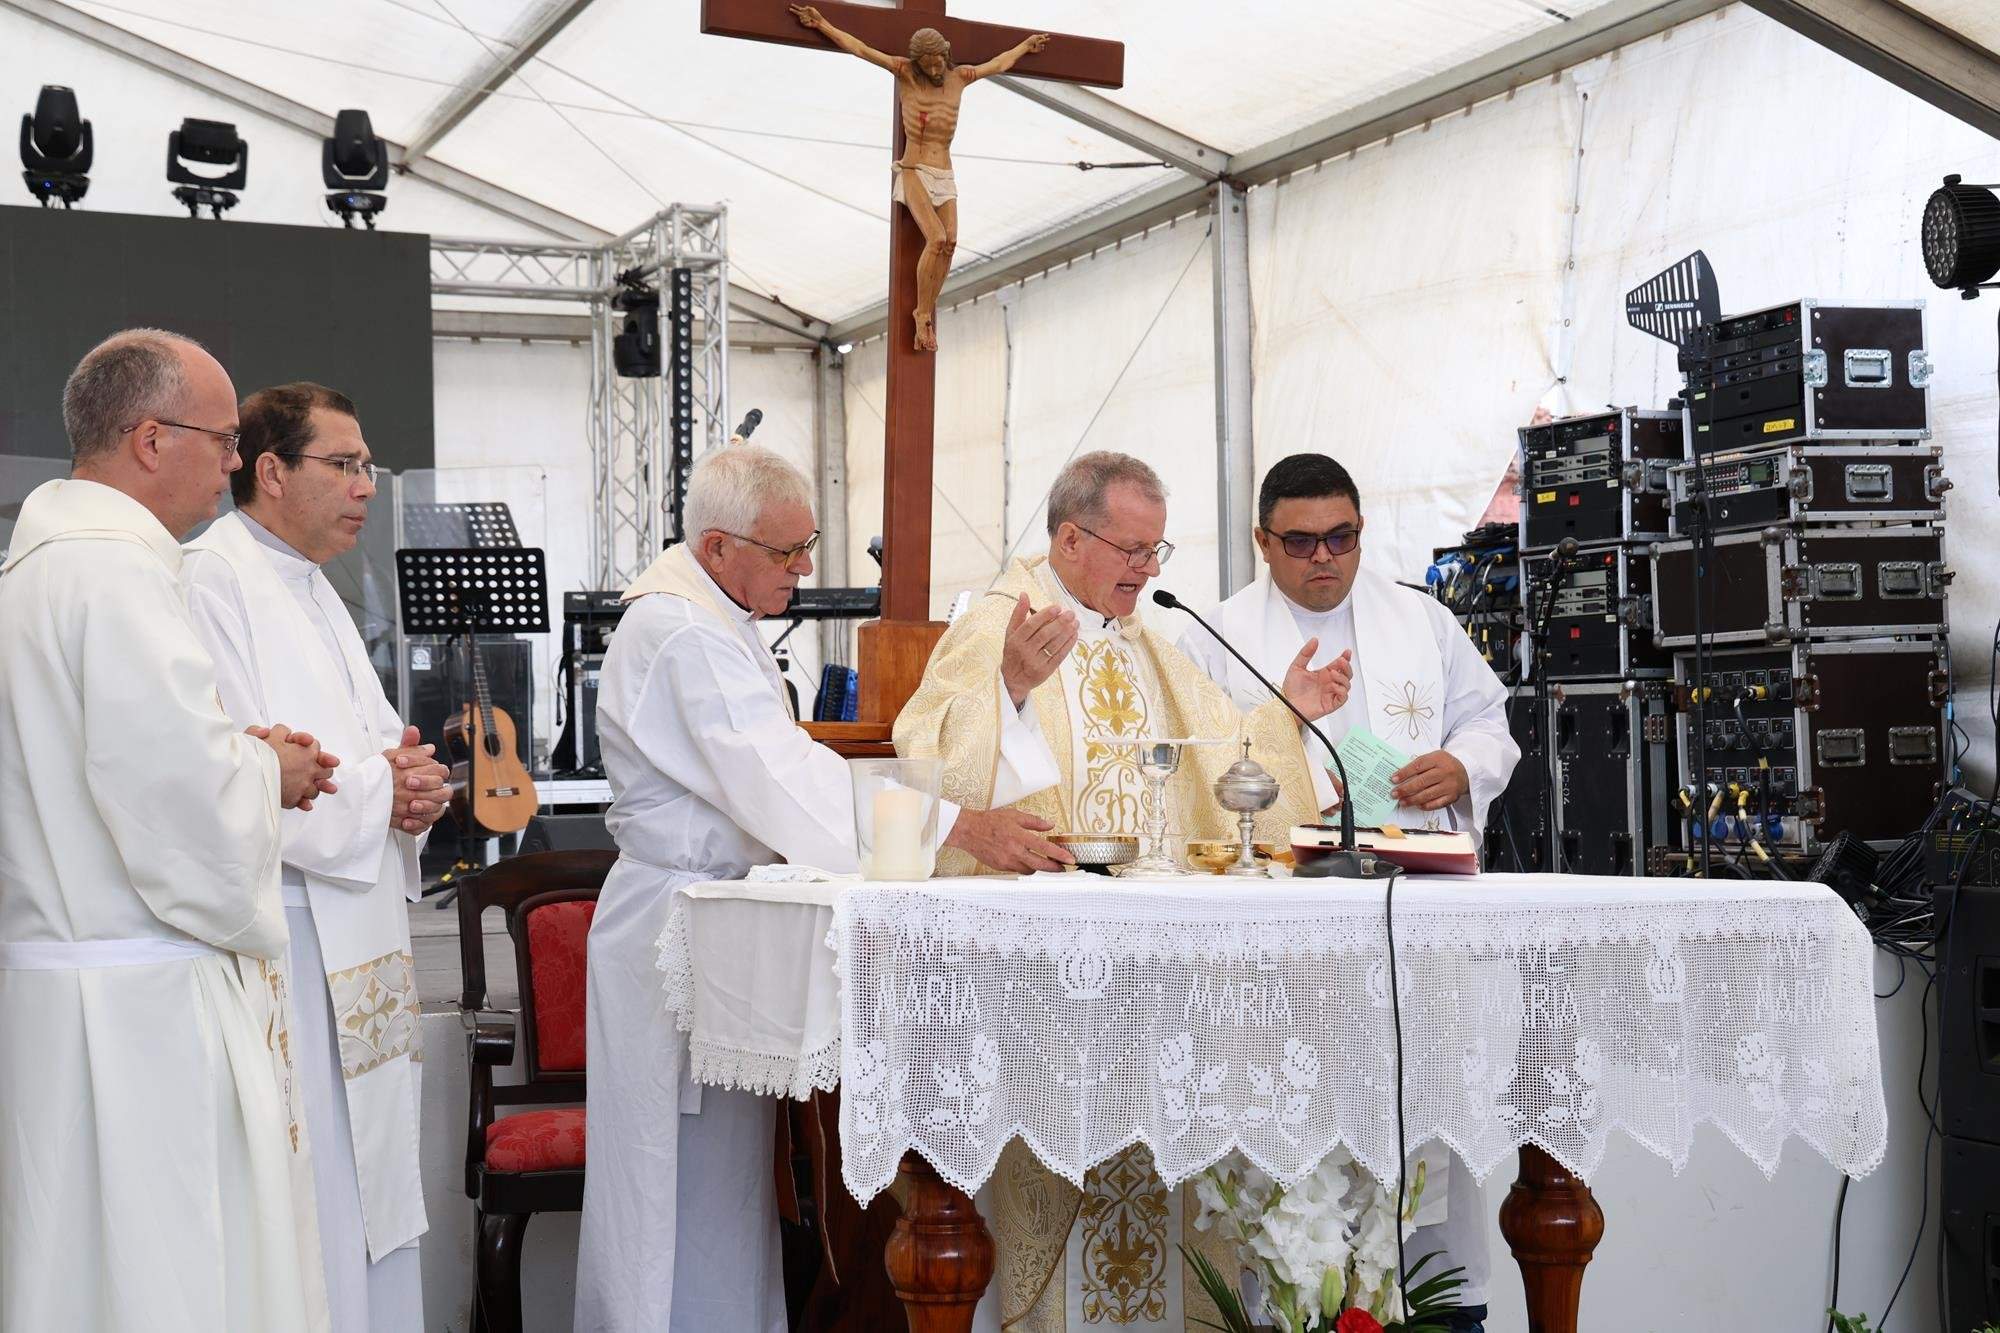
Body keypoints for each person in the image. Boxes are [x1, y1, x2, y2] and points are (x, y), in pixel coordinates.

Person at [574, 443, 1064, 1332]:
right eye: (787, 553)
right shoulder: (680, 630)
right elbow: (784, 781)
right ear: (720, 547)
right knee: (665, 1180)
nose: (804, 572)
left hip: (712, 920)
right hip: (669, 928)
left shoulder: (714, 615)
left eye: (808, 549)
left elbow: (787, 773)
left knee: (718, 1187)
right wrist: (954, 826)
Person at [893, 449, 1354, 1331]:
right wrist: (1011, 687)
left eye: (1156, 552)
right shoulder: (998, 621)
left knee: (1174, 1188)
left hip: (1163, 986)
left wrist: (1285, 717)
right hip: (1051, 982)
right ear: (1071, 538)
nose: (1147, 571)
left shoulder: (1148, 640)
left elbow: (1220, 754)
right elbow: (928, 750)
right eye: (1132, 551)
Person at [0, 329, 338, 1332]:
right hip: (145, 1007)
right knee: (170, 1280)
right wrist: (264, 770)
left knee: (76, 1271)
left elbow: (107, 769)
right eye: (225, 438)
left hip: (55, 989)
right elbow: (175, 808)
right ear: (151, 439)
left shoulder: (30, 575)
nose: (237, 462)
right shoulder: (119, 577)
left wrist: (231, 754)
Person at [1178, 451, 1523, 1333]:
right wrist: (1282, 723)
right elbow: (1188, 776)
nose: (1323, 556)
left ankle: (1438, 1312)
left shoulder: (1422, 621)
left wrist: (1463, 764)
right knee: (1295, 1149)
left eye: (1342, 536)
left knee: (1421, 1130)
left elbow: (1489, 720)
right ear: (1263, 541)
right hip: (1282, 942)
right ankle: (1292, 1308)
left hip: (1412, 922)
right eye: (1300, 541)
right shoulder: (1212, 636)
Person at [184, 382, 446, 1331]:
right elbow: (251, 774)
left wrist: (417, 789)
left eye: (368, 466)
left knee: (366, 1181)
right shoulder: (212, 577)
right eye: (344, 464)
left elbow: (376, 745)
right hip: (289, 938)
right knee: (317, 1190)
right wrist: (388, 787)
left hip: (357, 921)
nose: (366, 487)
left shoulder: (314, 585)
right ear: (270, 471)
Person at [791, 2, 1049, 351]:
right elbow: (861, 49)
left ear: (946, 54)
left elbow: (999, 64)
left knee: (952, 241)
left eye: (938, 60)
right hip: (913, 170)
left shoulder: (960, 77)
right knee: (937, 239)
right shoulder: (905, 73)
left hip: (944, 170)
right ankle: (922, 315)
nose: (934, 68)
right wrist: (822, 24)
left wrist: (1024, 46)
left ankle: (928, 309)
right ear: (918, 62)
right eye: (927, 63)